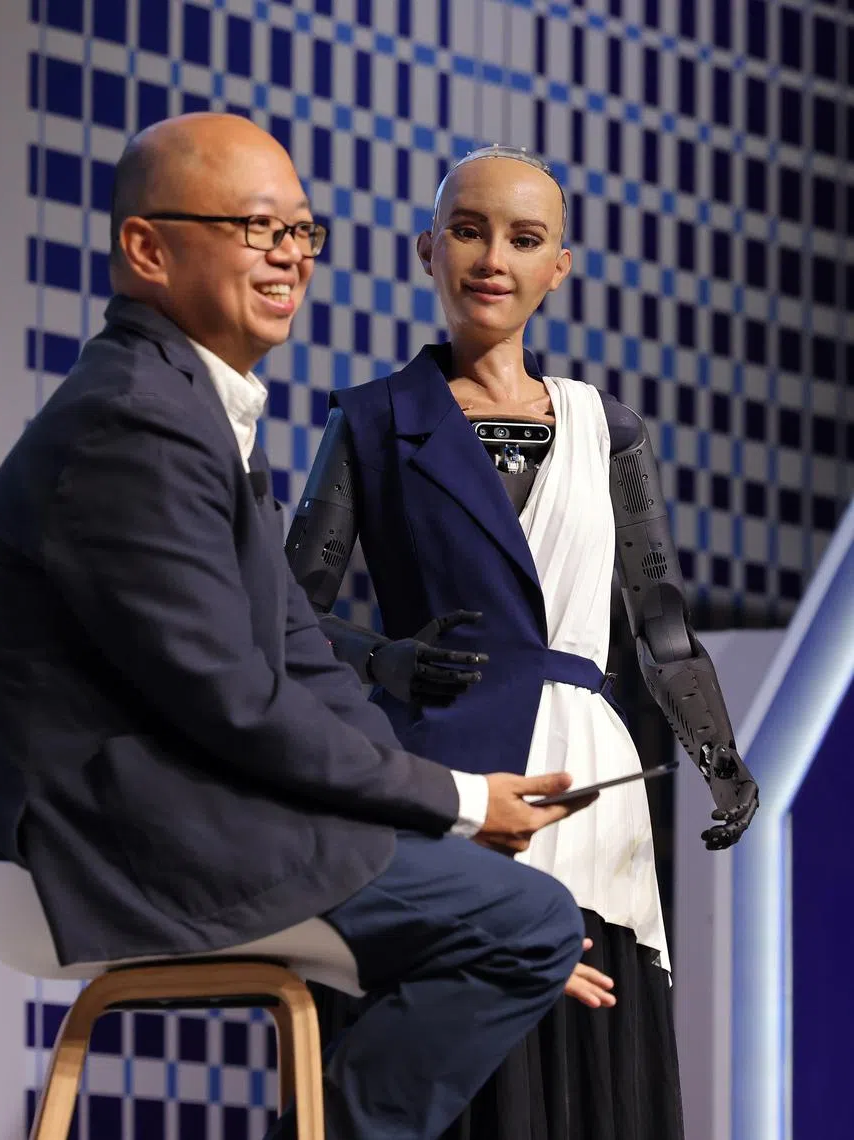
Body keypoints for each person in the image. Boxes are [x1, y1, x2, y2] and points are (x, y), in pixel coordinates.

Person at [0, 114, 606, 1140]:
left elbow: (306, 663)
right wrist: (456, 800)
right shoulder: (134, 419)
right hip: (125, 840)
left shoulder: (195, 410)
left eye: (303, 234)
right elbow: (236, 702)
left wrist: (451, 833)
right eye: (259, 230)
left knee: (512, 915)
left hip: (190, 819)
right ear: (147, 249)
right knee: (526, 923)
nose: (289, 259)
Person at [288, 146, 759, 1140]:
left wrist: (720, 758)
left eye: (524, 237)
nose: (493, 256)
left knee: (597, 1065)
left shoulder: (607, 429)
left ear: (561, 268)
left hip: (590, 780)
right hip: (442, 772)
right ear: (426, 249)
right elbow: (286, 612)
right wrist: (386, 660)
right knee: (459, 1050)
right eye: (468, 229)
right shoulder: (371, 420)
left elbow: (659, 620)